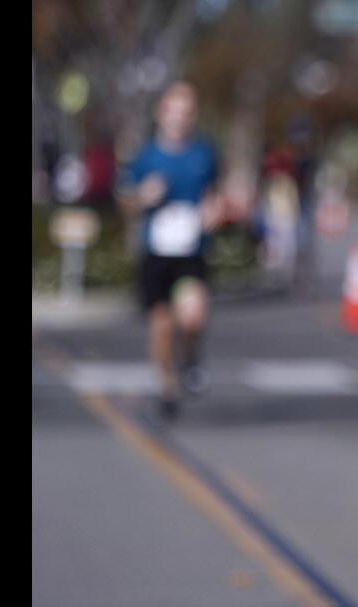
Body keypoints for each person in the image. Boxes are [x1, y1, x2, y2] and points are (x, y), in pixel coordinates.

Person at [118, 81, 222, 420]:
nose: (179, 119)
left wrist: (213, 212)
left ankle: (189, 358)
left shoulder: (204, 154)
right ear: (161, 114)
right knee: (161, 328)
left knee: (193, 316)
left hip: (190, 250)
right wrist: (142, 197)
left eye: (186, 113)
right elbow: (125, 202)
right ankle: (167, 387)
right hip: (156, 252)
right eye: (174, 112)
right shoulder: (146, 156)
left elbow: (216, 197)